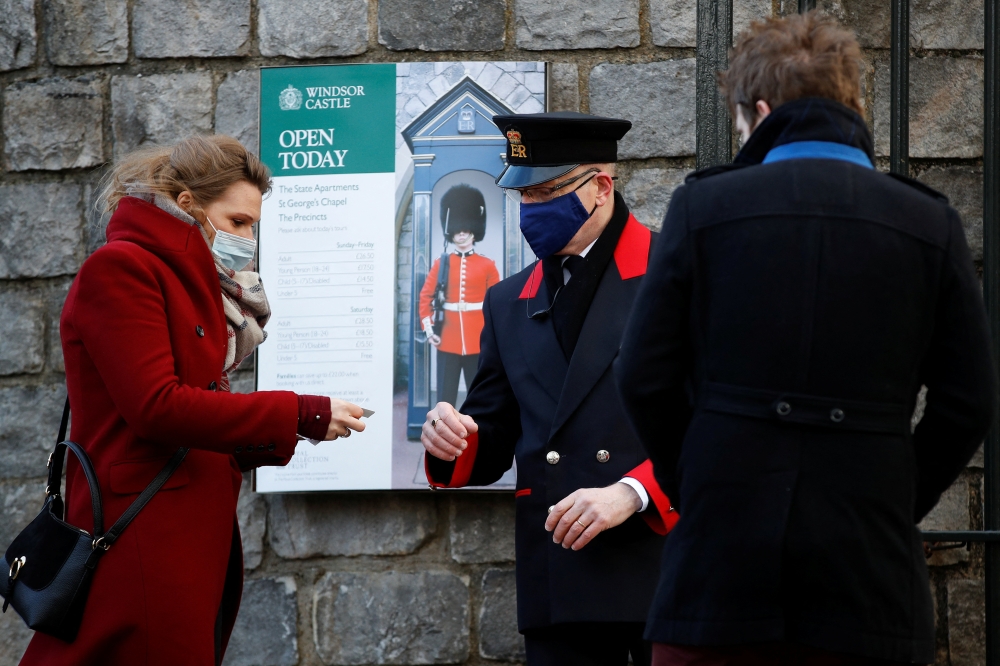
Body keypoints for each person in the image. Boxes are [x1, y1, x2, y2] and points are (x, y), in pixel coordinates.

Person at [615, 12, 998, 666]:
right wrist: (896, 494)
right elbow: (969, 399)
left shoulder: (704, 208)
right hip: (869, 580)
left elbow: (643, 375)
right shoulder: (927, 221)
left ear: (758, 111)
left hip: (719, 579)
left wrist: (700, 484)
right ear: (850, 103)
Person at [20, 135, 366, 666]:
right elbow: (157, 407)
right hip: (142, 536)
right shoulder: (123, 270)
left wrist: (279, 434)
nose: (247, 239)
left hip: (181, 533)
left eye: (253, 224)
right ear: (188, 206)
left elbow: (192, 414)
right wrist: (300, 412)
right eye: (237, 222)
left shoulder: (196, 281)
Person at [421, 112, 678, 666]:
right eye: (522, 195)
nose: (529, 211)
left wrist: (630, 494)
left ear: (600, 187)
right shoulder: (509, 299)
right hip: (560, 575)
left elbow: (714, 418)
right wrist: (453, 437)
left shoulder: (673, 271)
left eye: (544, 193)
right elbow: (493, 431)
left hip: (660, 566)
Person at [418, 184, 501, 407]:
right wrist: (428, 330)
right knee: (445, 398)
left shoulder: (487, 265)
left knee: (479, 396)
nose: (461, 233)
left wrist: (492, 337)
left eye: (465, 229)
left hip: (478, 339)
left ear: (474, 231)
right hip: (447, 339)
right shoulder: (440, 264)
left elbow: (497, 304)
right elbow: (425, 297)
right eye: (457, 230)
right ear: (451, 232)